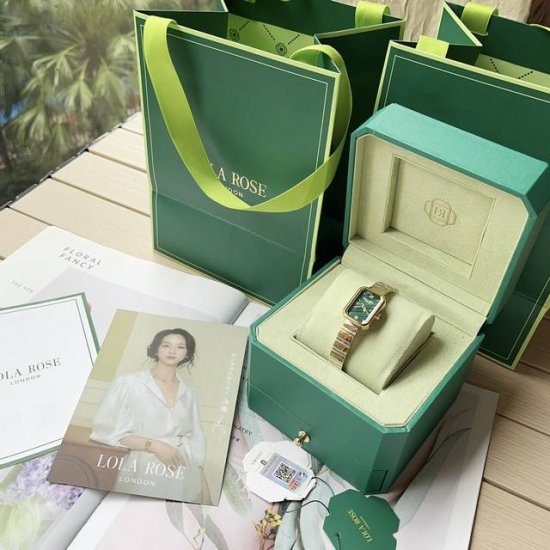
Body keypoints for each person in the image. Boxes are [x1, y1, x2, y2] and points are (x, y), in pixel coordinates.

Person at [90, 328, 210, 503]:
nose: (172, 351)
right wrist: (155, 446)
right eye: (166, 345)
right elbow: (106, 430)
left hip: (184, 467)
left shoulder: (189, 392)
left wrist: (203, 486)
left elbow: (196, 436)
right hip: (144, 466)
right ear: (156, 350)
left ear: (186, 354)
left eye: (180, 347)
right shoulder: (130, 383)